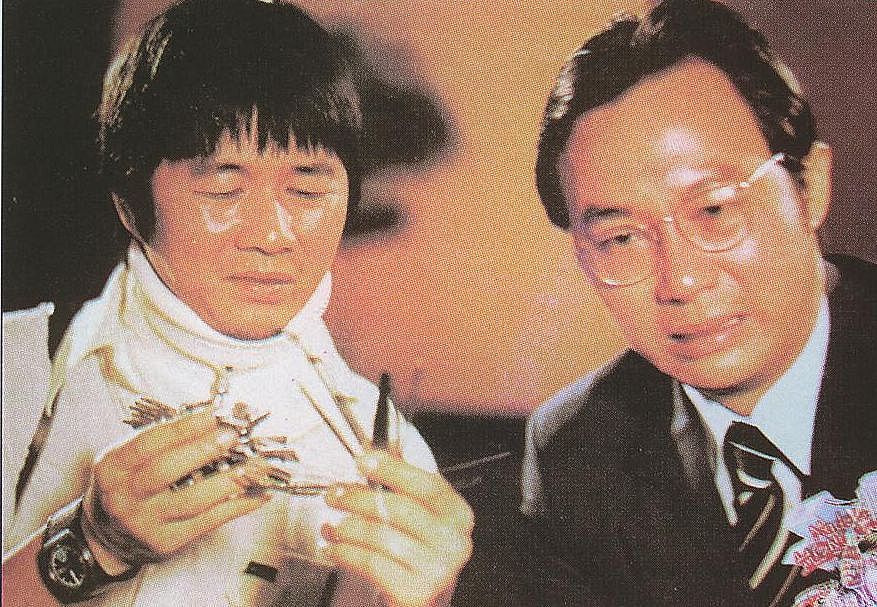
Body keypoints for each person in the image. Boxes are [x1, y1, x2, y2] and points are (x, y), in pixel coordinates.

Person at [1, 1, 473, 605]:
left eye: (307, 189)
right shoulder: (19, 366)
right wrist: (91, 544)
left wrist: (429, 600)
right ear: (130, 203)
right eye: (224, 188)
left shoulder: (386, 453)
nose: (273, 234)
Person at [521, 1, 877, 605]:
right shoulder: (576, 449)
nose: (680, 280)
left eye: (714, 210)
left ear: (810, 188)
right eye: (620, 239)